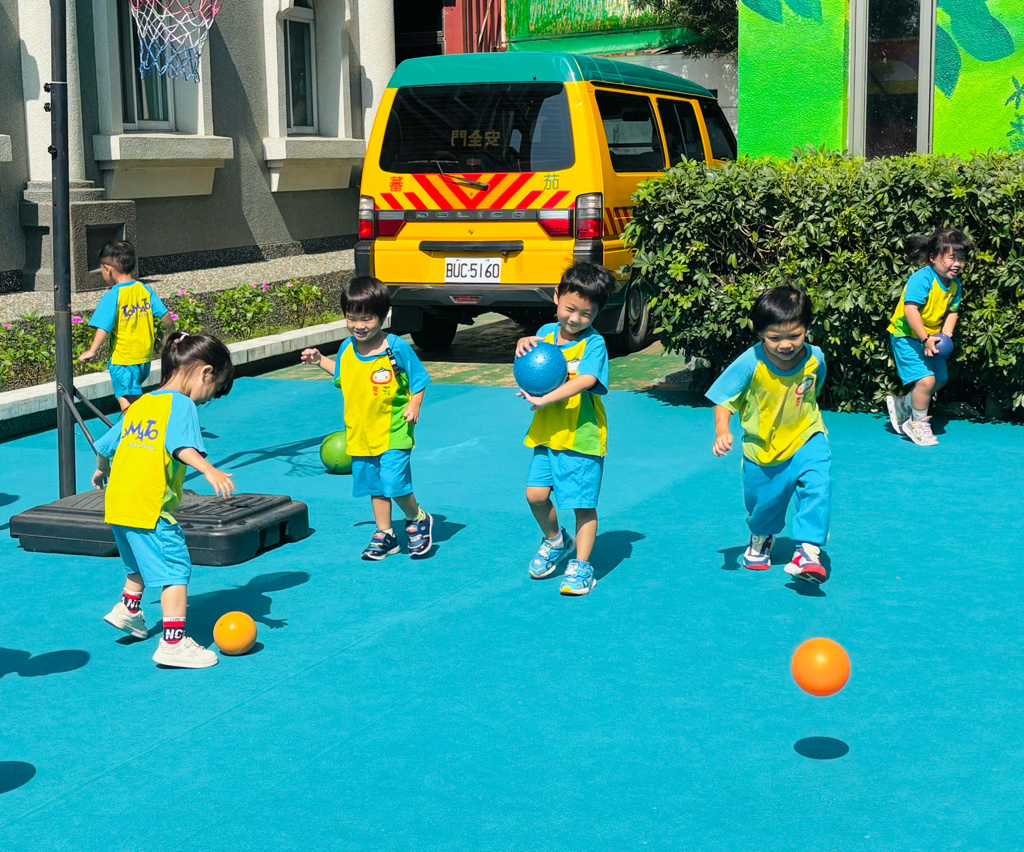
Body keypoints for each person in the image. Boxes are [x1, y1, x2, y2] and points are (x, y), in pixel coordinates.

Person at [93, 331, 236, 669]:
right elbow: (180, 446)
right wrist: (209, 469)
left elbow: (105, 446)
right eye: (214, 389)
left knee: (139, 561)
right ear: (206, 372)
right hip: (149, 505)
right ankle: (173, 642)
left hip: (118, 501)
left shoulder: (141, 404)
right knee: (175, 568)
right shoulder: (182, 405)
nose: (207, 399)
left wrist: (101, 471)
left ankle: (128, 609)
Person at [301, 276, 434, 560]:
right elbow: (341, 374)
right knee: (375, 486)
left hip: (394, 429)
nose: (359, 325)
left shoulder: (396, 347)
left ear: (382, 317)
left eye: (367, 319)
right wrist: (319, 361)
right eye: (352, 318)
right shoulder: (347, 348)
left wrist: (415, 404)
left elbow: (419, 380)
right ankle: (386, 534)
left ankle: (417, 518)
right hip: (360, 433)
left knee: (394, 482)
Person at [707, 286, 831, 585]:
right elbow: (724, 400)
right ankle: (761, 536)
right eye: (775, 338)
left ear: (806, 328)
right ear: (760, 333)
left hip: (807, 435)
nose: (786, 344)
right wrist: (722, 431)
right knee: (763, 505)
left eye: (795, 335)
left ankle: (807, 551)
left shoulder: (815, 357)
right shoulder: (750, 362)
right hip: (762, 448)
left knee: (818, 486)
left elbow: (814, 388)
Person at [516, 261, 615, 596]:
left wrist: (547, 398)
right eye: (570, 309)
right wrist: (521, 344)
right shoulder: (544, 333)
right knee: (535, 495)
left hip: (580, 437)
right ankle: (556, 540)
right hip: (547, 434)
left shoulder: (594, 344)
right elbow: (531, 363)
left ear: (597, 313)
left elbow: (586, 379)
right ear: (556, 296)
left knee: (582, 505)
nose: (575, 319)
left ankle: (582, 566)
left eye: (586, 314)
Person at [884, 227, 973, 446]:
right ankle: (916, 423)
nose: (957, 264)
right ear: (933, 258)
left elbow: (952, 311)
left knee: (940, 379)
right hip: (907, 336)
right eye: (951, 258)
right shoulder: (922, 279)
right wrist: (925, 339)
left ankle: (905, 403)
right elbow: (910, 310)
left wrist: (946, 335)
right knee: (926, 380)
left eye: (961, 258)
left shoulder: (955, 285)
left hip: (931, 337)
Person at [80, 240, 176, 413]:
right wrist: (171, 334)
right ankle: (139, 421)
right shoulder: (143, 289)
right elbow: (165, 315)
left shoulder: (113, 296)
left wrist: (92, 350)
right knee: (130, 394)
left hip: (123, 359)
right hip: (143, 358)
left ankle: (136, 424)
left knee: (126, 399)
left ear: (108, 269)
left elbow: (104, 326)